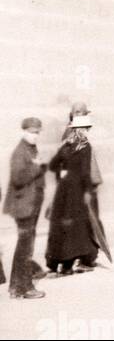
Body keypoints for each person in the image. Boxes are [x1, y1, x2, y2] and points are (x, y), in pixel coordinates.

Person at [45, 109, 105, 273]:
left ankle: (59, 263)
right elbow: (85, 172)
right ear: (80, 129)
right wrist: (87, 191)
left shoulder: (66, 145)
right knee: (76, 227)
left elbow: (53, 165)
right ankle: (69, 265)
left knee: (62, 225)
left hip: (63, 190)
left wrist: (64, 172)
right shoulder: (85, 146)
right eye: (85, 129)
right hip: (77, 190)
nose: (86, 131)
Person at [4, 117, 47, 299]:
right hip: (23, 206)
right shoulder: (20, 151)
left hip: (30, 204)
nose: (35, 136)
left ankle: (16, 288)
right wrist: (37, 167)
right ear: (24, 132)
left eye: (37, 132)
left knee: (25, 245)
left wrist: (40, 167)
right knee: (25, 247)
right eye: (31, 132)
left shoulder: (30, 148)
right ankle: (25, 288)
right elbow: (18, 178)